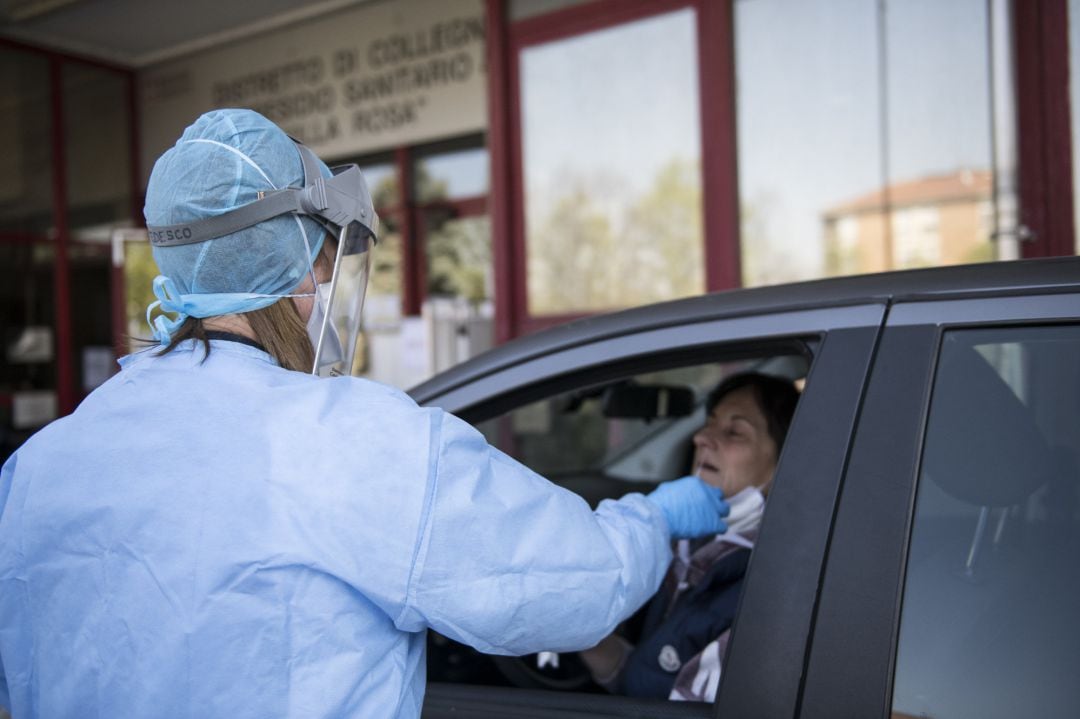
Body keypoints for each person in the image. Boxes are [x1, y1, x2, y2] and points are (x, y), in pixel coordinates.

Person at [0, 109, 732, 719]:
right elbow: (576, 587)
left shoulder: (40, 465)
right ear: (293, 273)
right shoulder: (358, 443)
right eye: (322, 264)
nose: (325, 284)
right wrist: (657, 517)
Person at [580, 372, 799, 702]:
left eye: (734, 433)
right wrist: (577, 628)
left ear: (785, 464)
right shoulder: (693, 547)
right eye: (709, 423)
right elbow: (650, 679)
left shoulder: (771, 584)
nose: (701, 438)